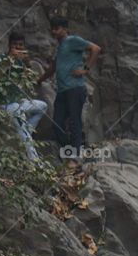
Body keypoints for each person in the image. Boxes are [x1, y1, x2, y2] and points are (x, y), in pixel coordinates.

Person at [41, 17, 101, 163]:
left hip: (75, 88)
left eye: (57, 28)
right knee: (57, 122)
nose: (54, 31)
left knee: (75, 120)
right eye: (53, 29)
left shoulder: (72, 40)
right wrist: (39, 80)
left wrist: (85, 69)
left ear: (65, 29)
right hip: (62, 90)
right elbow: (53, 67)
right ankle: (70, 150)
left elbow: (95, 49)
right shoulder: (60, 47)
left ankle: (76, 153)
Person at [0, 33, 48, 161]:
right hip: (3, 103)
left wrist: (27, 63)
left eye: (21, 45)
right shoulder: (0, 58)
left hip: (18, 101)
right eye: (15, 45)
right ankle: (34, 160)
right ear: (9, 46)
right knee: (18, 112)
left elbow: (31, 78)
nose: (18, 48)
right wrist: (9, 60)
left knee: (42, 106)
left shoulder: (21, 61)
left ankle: (24, 134)